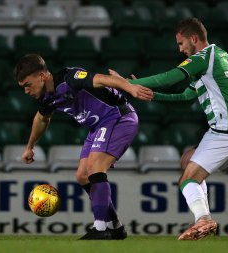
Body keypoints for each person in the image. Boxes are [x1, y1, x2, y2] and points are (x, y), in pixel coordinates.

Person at [112, 17, 228, 240]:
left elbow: (169, 78)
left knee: (187, 179)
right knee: (187, 160)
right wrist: (153, 96)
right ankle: (203, 218)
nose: (180, 49)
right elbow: (187, 96)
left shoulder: (202, 58)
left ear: (194, 38)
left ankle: (204, 220)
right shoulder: (219, 56)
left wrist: (129, 84)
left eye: (181, 44)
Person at [13, 54, 153, 240]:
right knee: (82, 176)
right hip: (98, 127)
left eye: (27, 85)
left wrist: (130, 88)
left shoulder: (70, 77)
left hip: (118, 117)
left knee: (96, 168)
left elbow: (103, 79)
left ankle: (101, 228)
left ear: (42, 76)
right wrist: (30, 146)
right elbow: (41, 118)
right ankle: (115, 226)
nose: (26, 91)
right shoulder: (45, 97)